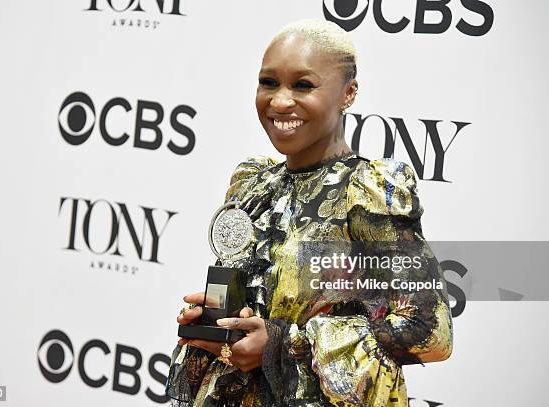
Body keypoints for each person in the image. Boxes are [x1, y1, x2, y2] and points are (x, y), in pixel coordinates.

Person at [166, 19, 453, 407]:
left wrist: (283, 345)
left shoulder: (367, 191)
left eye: (303, 85)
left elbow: (427, 331)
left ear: (348, 93)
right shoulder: (252, 183)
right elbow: (262, 304)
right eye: (269, 82)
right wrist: (221, 321)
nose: (280, 101)